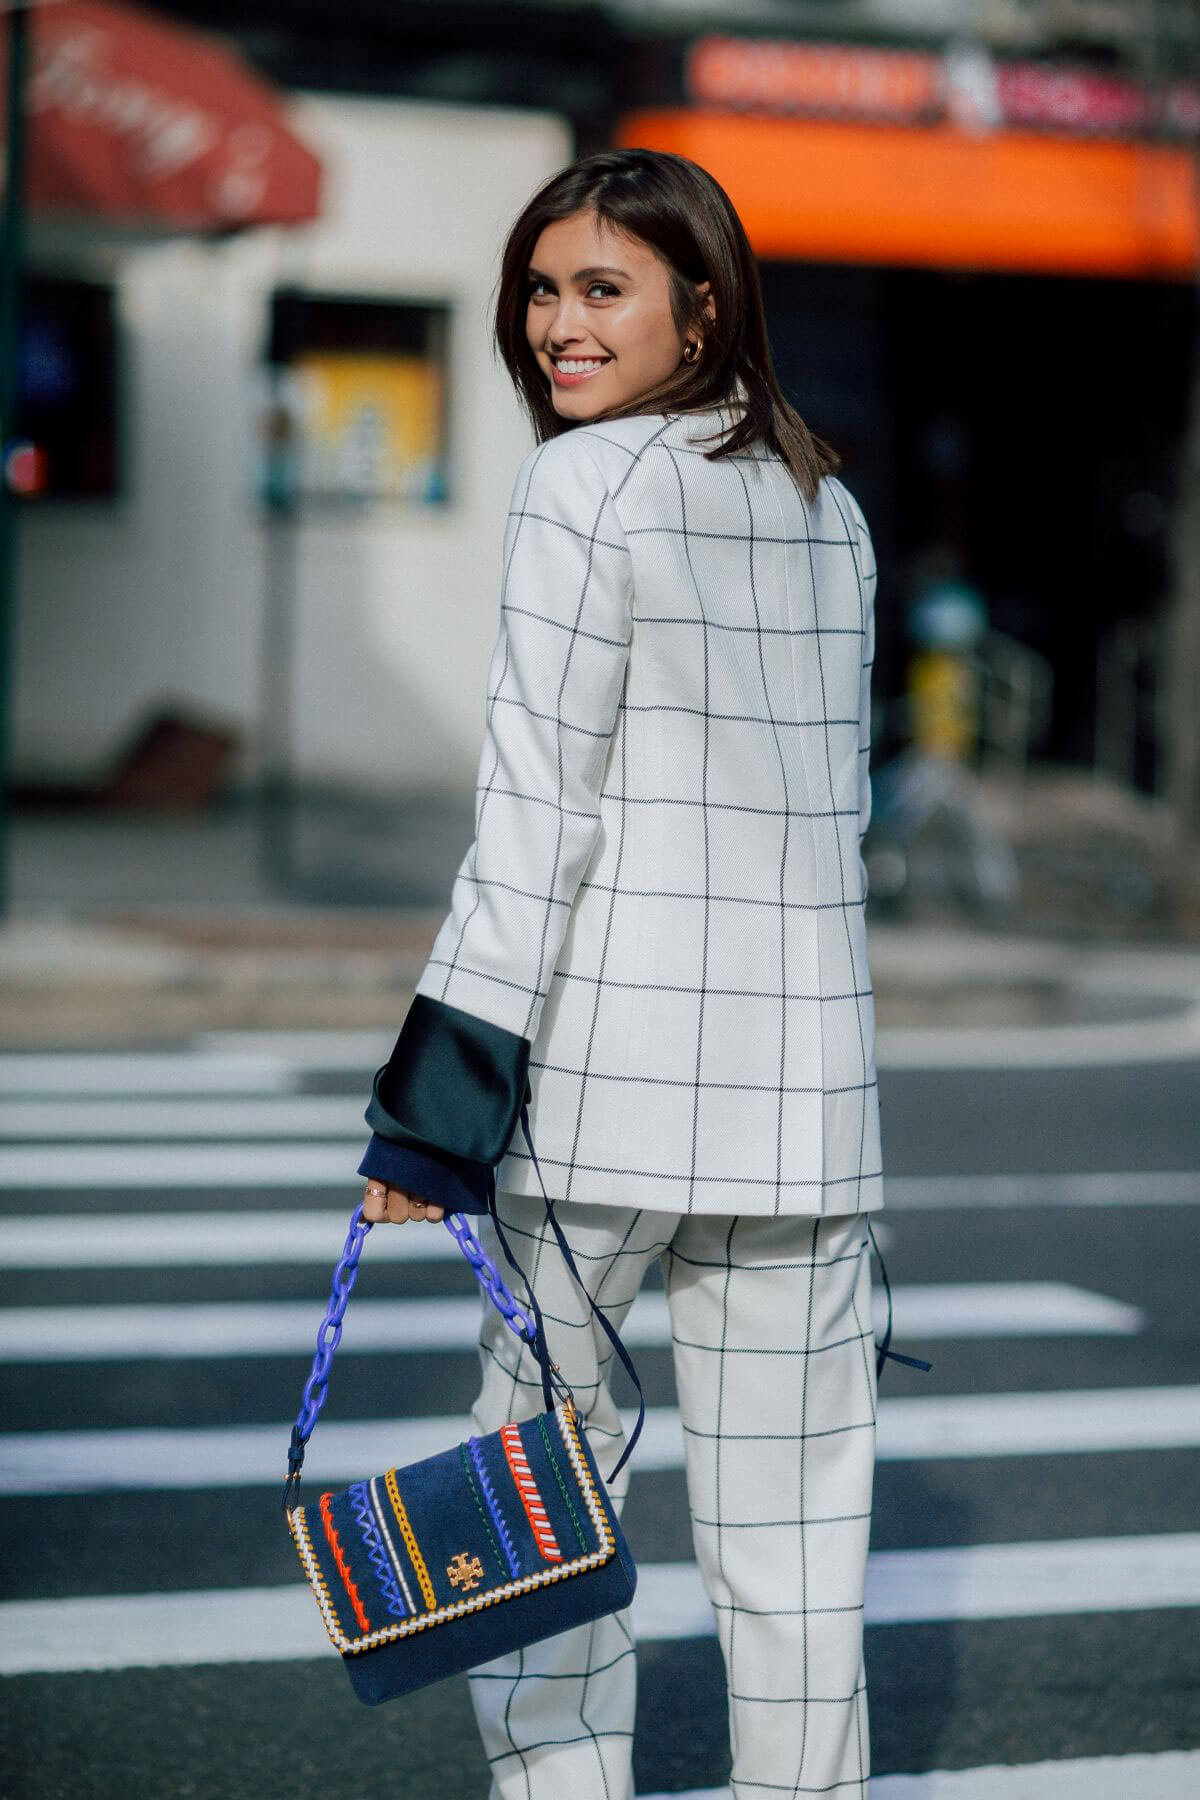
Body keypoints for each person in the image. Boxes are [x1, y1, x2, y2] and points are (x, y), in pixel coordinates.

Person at [356, 146, 892, 1800]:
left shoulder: (589, 488)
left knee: (541, 1512)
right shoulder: (830, 501)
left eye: (603, 289)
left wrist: (427, 1120)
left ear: (703, 308)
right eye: (541, 288)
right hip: (809, 1119)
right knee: (799, 1556)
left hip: (603, 1108)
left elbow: (537, 823)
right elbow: (835, 821)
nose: (559, 327)